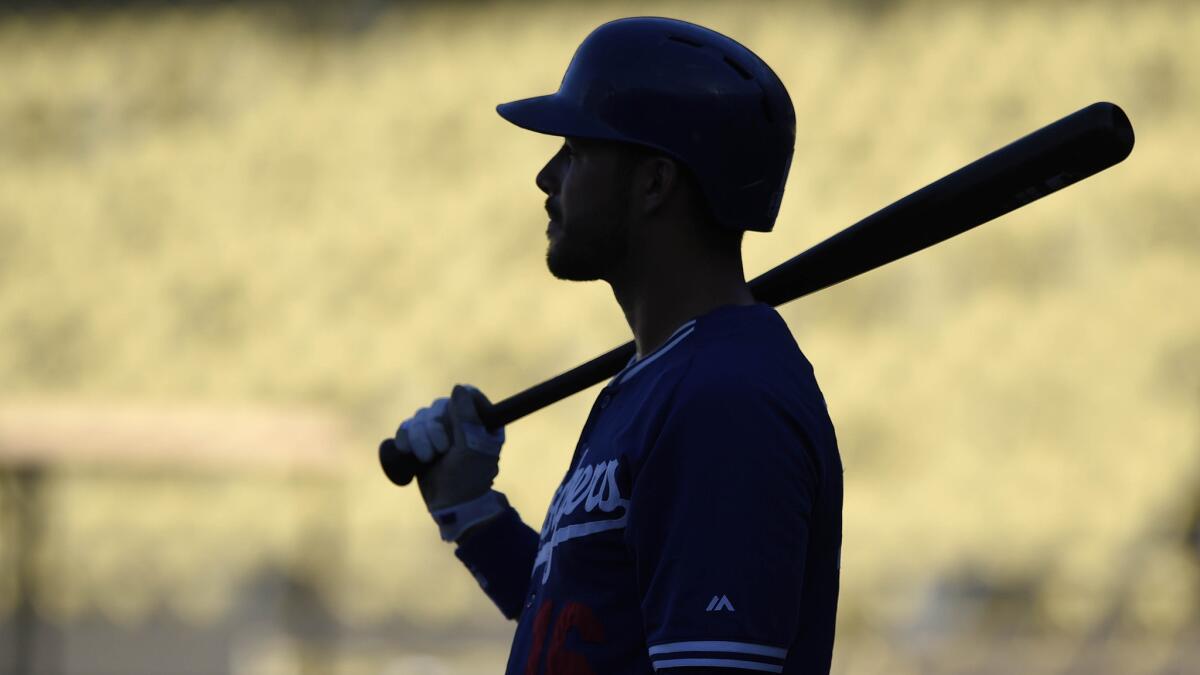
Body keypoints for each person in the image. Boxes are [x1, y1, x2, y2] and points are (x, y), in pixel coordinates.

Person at [391, 17, 842, 674]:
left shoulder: (727, 403)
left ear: (655, 183)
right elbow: (594, 633)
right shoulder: (658, 378)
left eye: (575, 150)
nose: (547, 176)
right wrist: (473, 513)